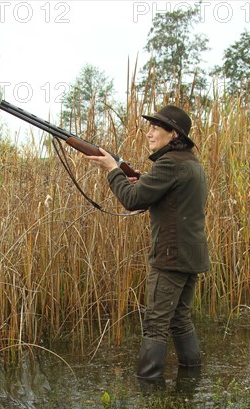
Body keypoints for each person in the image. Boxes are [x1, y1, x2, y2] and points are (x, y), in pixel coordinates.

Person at [87, 105, 209, 384]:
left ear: (173, 133)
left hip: (170, 257)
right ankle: (191, 378)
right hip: (192, 256)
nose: (149, 132)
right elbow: (174, 198)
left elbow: (132, 200)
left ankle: (148, 385)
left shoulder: (169, 164)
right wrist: (144, 180)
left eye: (156, 128)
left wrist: (112, 170)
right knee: (180, 320)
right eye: (150, 127)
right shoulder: (190, 163)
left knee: (155, 323)